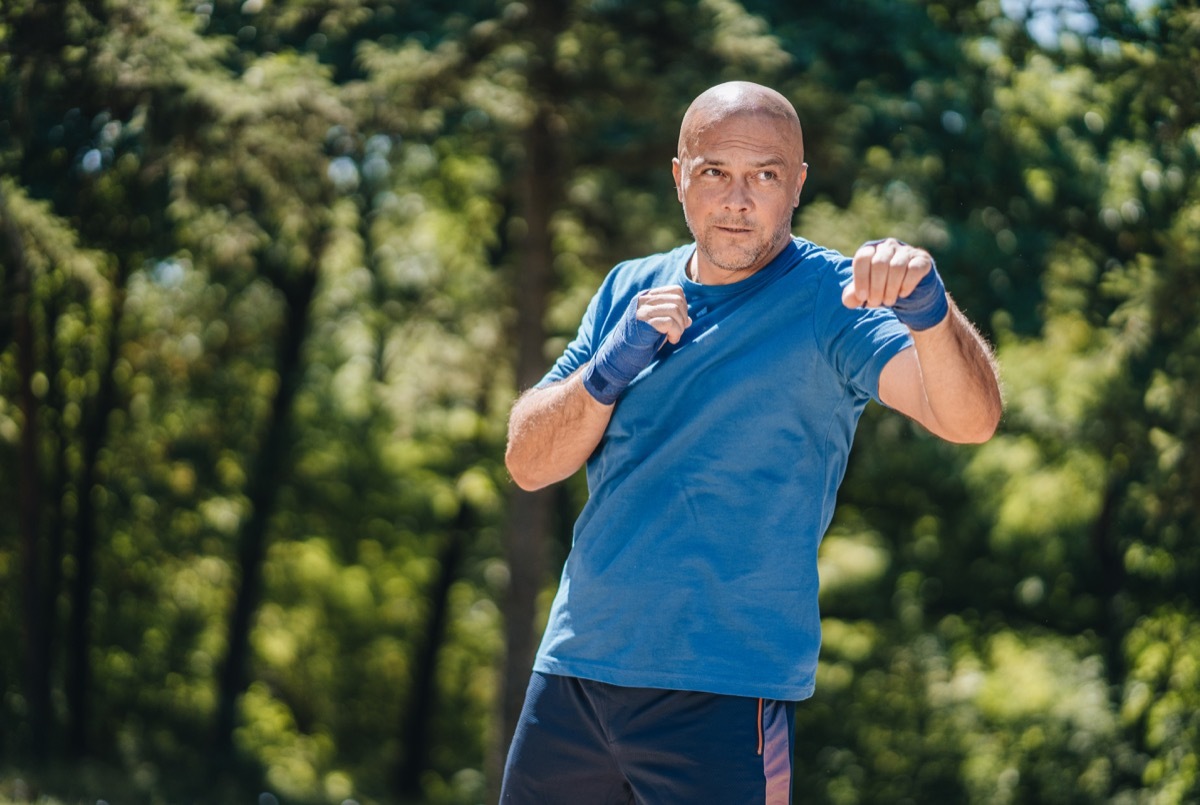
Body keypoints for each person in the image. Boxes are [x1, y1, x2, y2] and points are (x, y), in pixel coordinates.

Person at [499, 81, 1003, 804]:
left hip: (723, 691)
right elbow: (527, 460)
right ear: (680, 178)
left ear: (796, 185)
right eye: (715, 173)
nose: (738, 200)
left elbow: (970, 419)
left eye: (765, 175)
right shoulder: (628, 288)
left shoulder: (835, 299)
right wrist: (608, 371)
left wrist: (929, 312)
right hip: (574, 674)